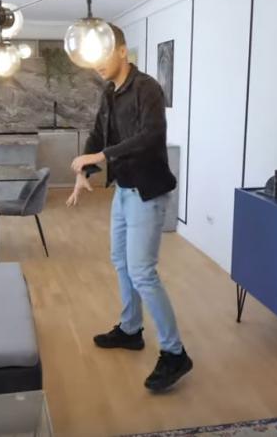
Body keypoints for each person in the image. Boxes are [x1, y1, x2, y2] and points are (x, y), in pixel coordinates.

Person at [66, 24, 193, 391]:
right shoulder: (109, 93)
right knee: (121, 261)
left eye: (103, 54)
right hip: (123, 190)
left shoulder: (147, 88)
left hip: (147, 192)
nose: (97, 64)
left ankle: (174, 353)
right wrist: (85, 171)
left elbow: (150, 136)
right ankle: (130, 329)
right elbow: (97, 134)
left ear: (122, 51)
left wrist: (100, 156)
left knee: (142, 272)